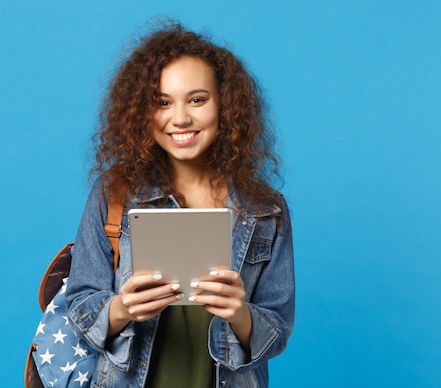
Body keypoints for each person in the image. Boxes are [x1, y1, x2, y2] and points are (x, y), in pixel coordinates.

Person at [65, 22, 294, 388]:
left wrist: (240, 314)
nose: (181, 118)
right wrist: (122, 309)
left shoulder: (265, 211)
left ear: (225, 105)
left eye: (197, 99)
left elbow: (277, 331)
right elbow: (78, 305)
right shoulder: (114, 194)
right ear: (144, 112)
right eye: (163, 102)